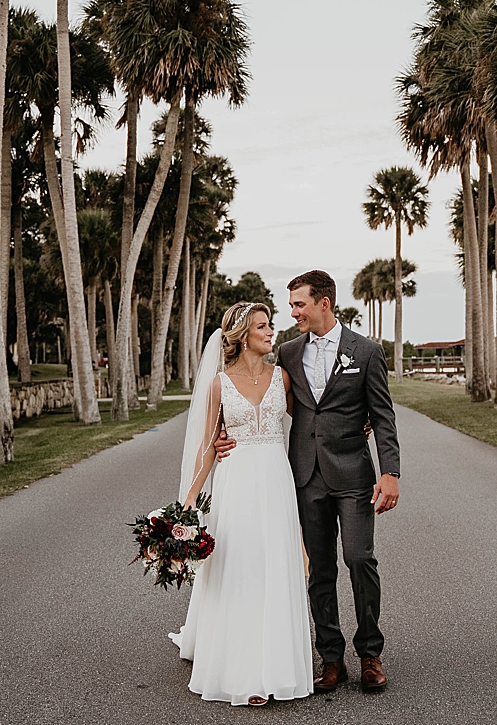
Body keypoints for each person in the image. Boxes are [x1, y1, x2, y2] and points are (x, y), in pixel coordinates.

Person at [215, 269, 401, 693]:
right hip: (304, 475)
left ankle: (370, 653)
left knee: (358, 559)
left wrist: (390, 472)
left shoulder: (366, 352)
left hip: (354, 474)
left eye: (299, 304)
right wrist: (227, 434)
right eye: (291, 305)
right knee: (319, 569)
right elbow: (261, 392)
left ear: (324, 303)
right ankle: (330, 657)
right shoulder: (288, 352)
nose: (292, 312)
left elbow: (383, 416)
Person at [169, 302, 313, 706]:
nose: (271, 332)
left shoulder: (282, 377)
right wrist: (187, 502)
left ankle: (279, 664)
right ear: (241, 336)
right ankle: (243, 671)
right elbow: (206, 446)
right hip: (236, 481)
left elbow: (314, 417)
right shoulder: (219, 384)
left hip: (275, 479)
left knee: (274, 566)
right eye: (263, 327)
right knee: (241, 567)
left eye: (270, 325)